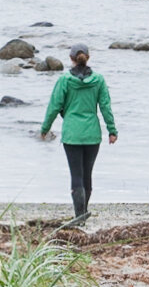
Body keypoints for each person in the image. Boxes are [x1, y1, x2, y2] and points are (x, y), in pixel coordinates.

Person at [38, 44, 117, 222]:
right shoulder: (99, 80)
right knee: (87, 174)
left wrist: (45, 128)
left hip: (72, 134)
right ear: (88, 57)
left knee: (76, 175)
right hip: (92, 134)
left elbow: (54, 106)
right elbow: (105, 107)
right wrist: (112, 130)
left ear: (71, 58)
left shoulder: (64, 80)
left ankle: (79, 215)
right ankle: (84, 211)